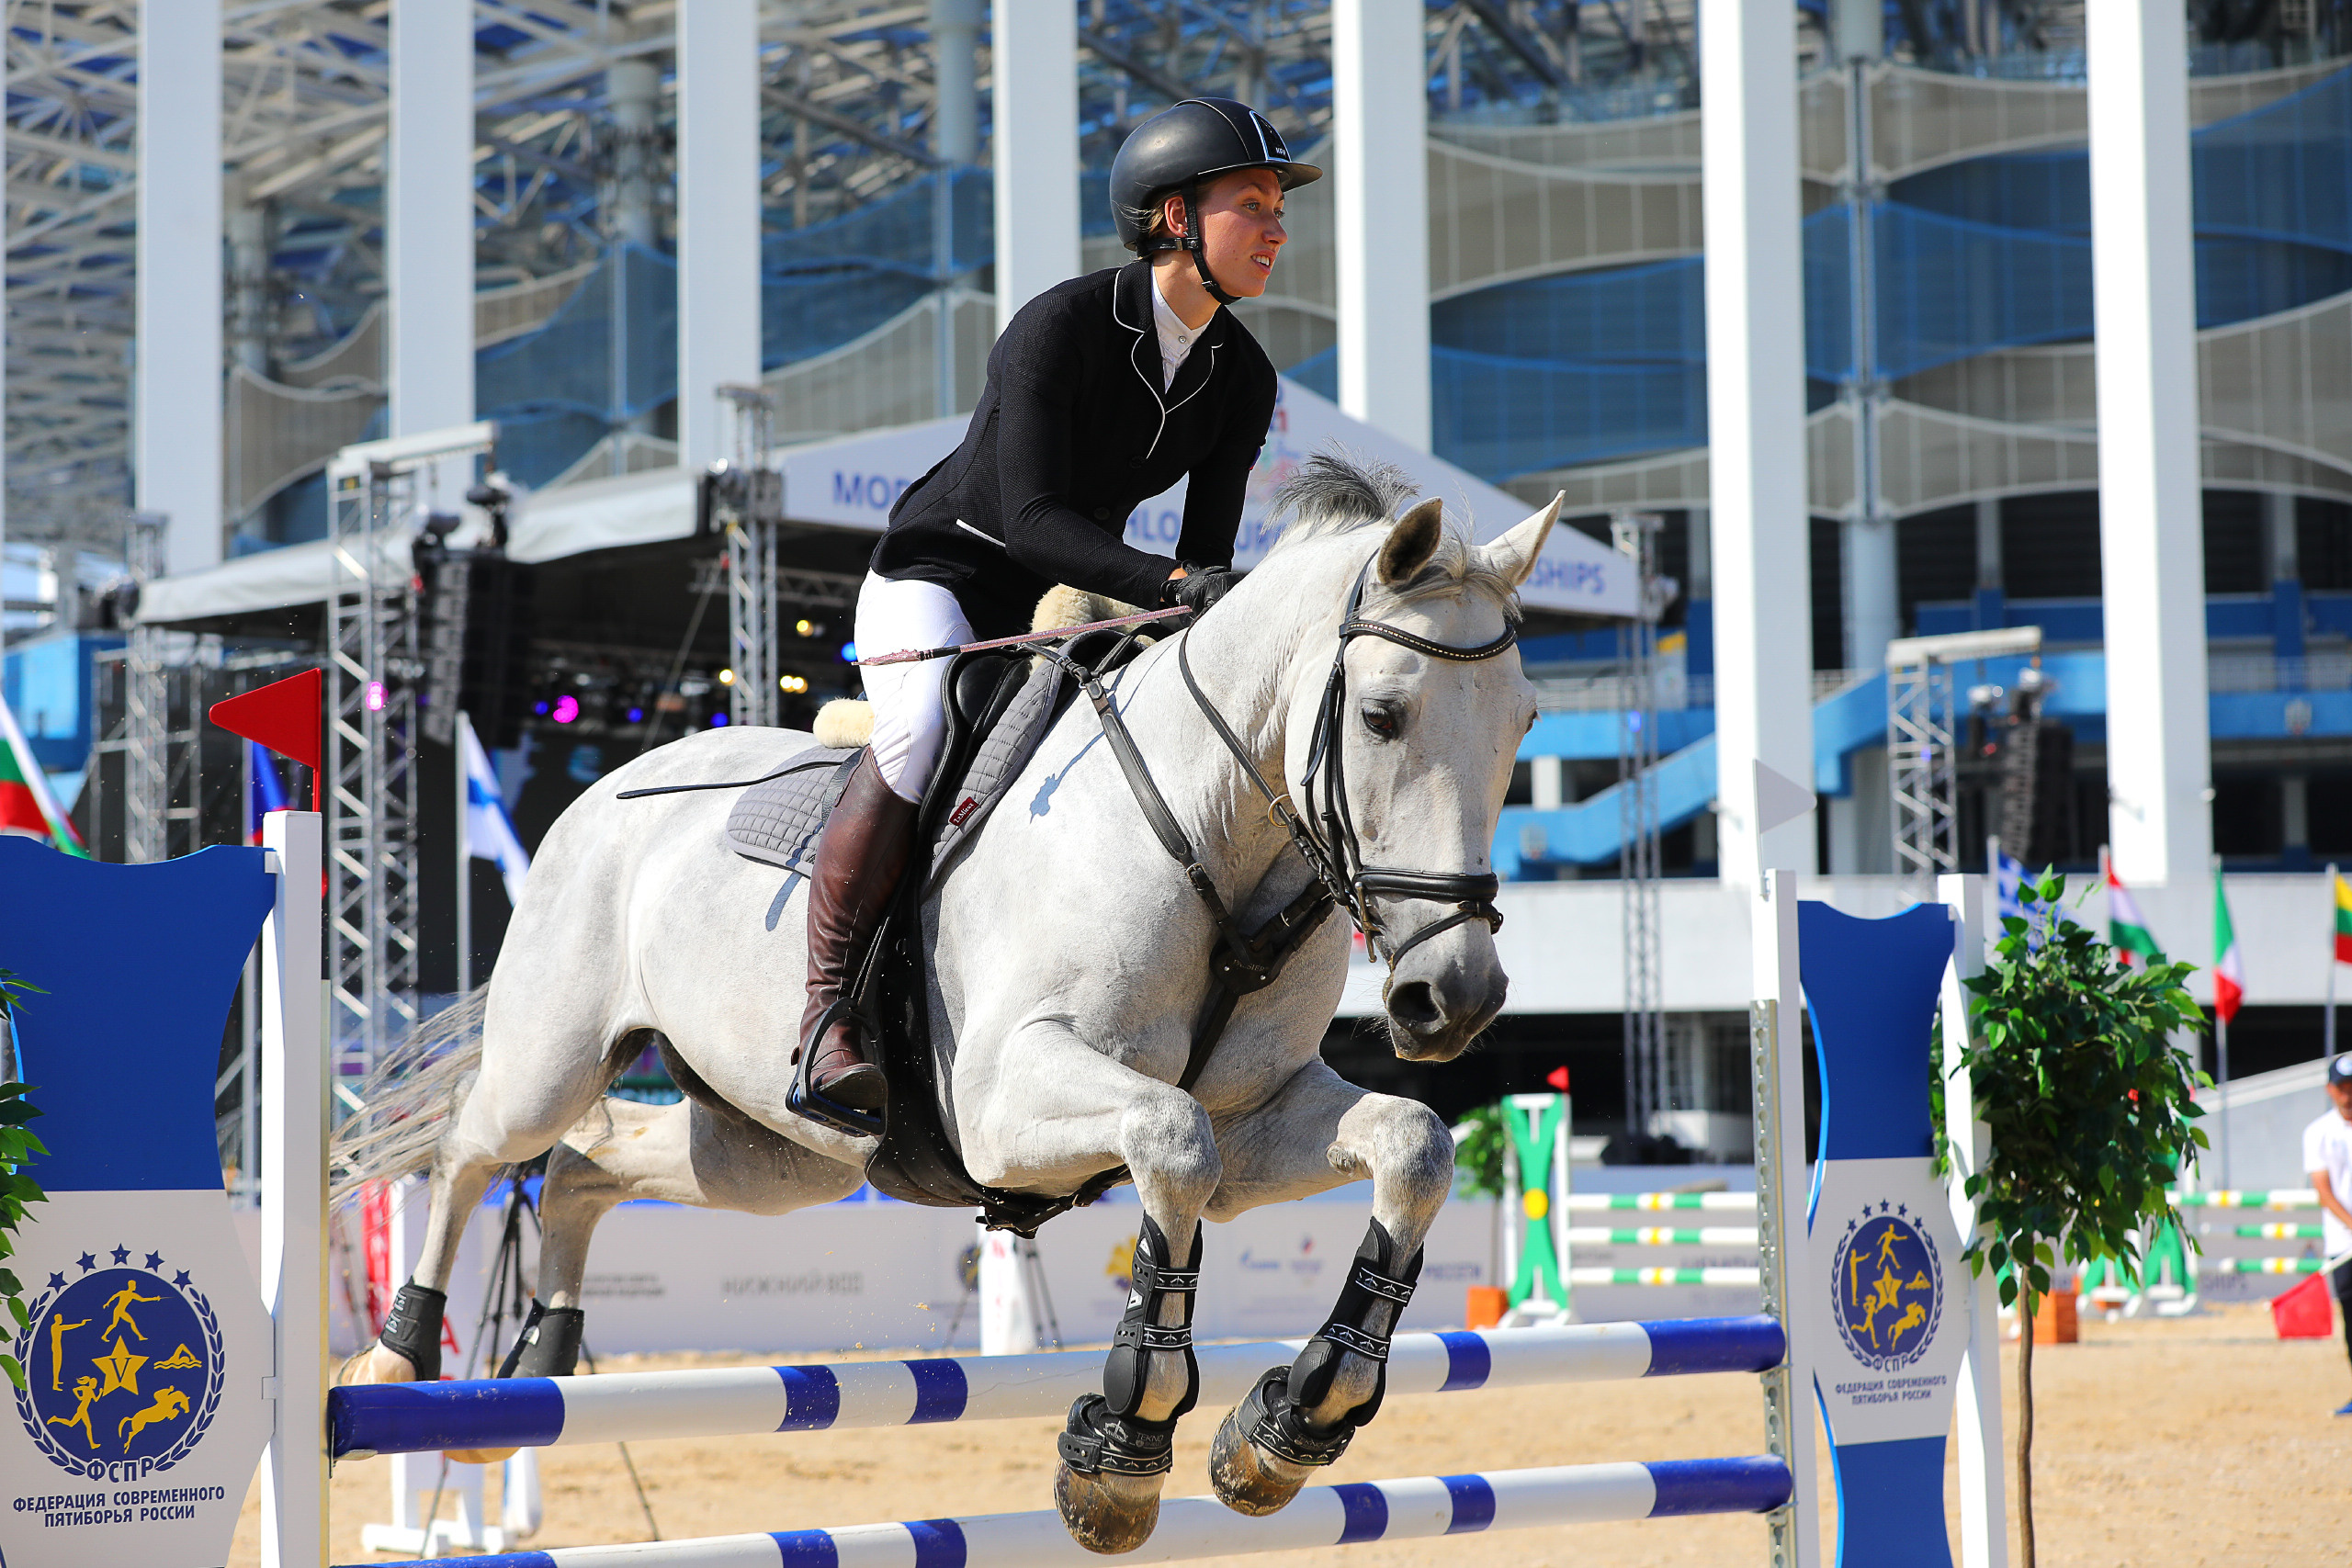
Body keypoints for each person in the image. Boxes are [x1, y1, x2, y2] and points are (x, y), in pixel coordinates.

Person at [791, 98, 1320, 1134]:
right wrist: (1172, 588)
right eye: (1250, 205)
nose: (1274, 229)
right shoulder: (1061, 325)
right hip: (941, 575)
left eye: (1276, 210)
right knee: (920, 730)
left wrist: (1202, 604)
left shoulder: (1241, 375)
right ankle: (827, 1017)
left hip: (1069, 602)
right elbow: (1032, 519)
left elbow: (1206, 556)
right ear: (1174, 217)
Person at [2305, 1053, 2352, 1414]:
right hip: (2342, 1245)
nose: (2349, 1095)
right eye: (2342, 1088)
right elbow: (2324, 1192)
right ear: (2330, 1090)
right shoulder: (2318, 1133)